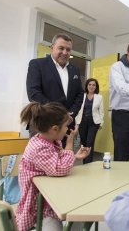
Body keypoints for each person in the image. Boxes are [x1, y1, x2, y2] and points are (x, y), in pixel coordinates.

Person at [16, 102, 91, 231]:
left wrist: (74, 156)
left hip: (53, 192)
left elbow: (58, 160)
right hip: (39, 204)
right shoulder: (39, 147)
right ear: (54, 129)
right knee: (55, 225)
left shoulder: (48, 140)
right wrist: (69, 145)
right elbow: (60, 169)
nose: (67, 129)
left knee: (80, 210)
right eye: (66, 126)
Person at [26, 33, 84, 147]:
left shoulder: (75, 69)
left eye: (68, 49)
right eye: (61, 48)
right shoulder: (37, 64)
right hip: (43, 123)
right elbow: (33, 93)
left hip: (66, 124)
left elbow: (79, 93)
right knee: (41, 161)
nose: (65, 52)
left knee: (63, 160)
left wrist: (71, 113)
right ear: (52, 48)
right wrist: (59, 113)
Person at [75, 78, 104, 164]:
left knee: (90, 143)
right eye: (89, 85)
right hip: (82, 121)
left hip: (93, 123)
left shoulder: (99, 97)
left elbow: (101, 112)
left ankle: (88, 163)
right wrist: (76, 123)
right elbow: (77, 109)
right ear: (87, 86)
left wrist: (101, 123)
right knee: (84, 143)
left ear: (96, 87)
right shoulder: (81, 96)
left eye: (93, 85)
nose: (91, 86)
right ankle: (85, 162)